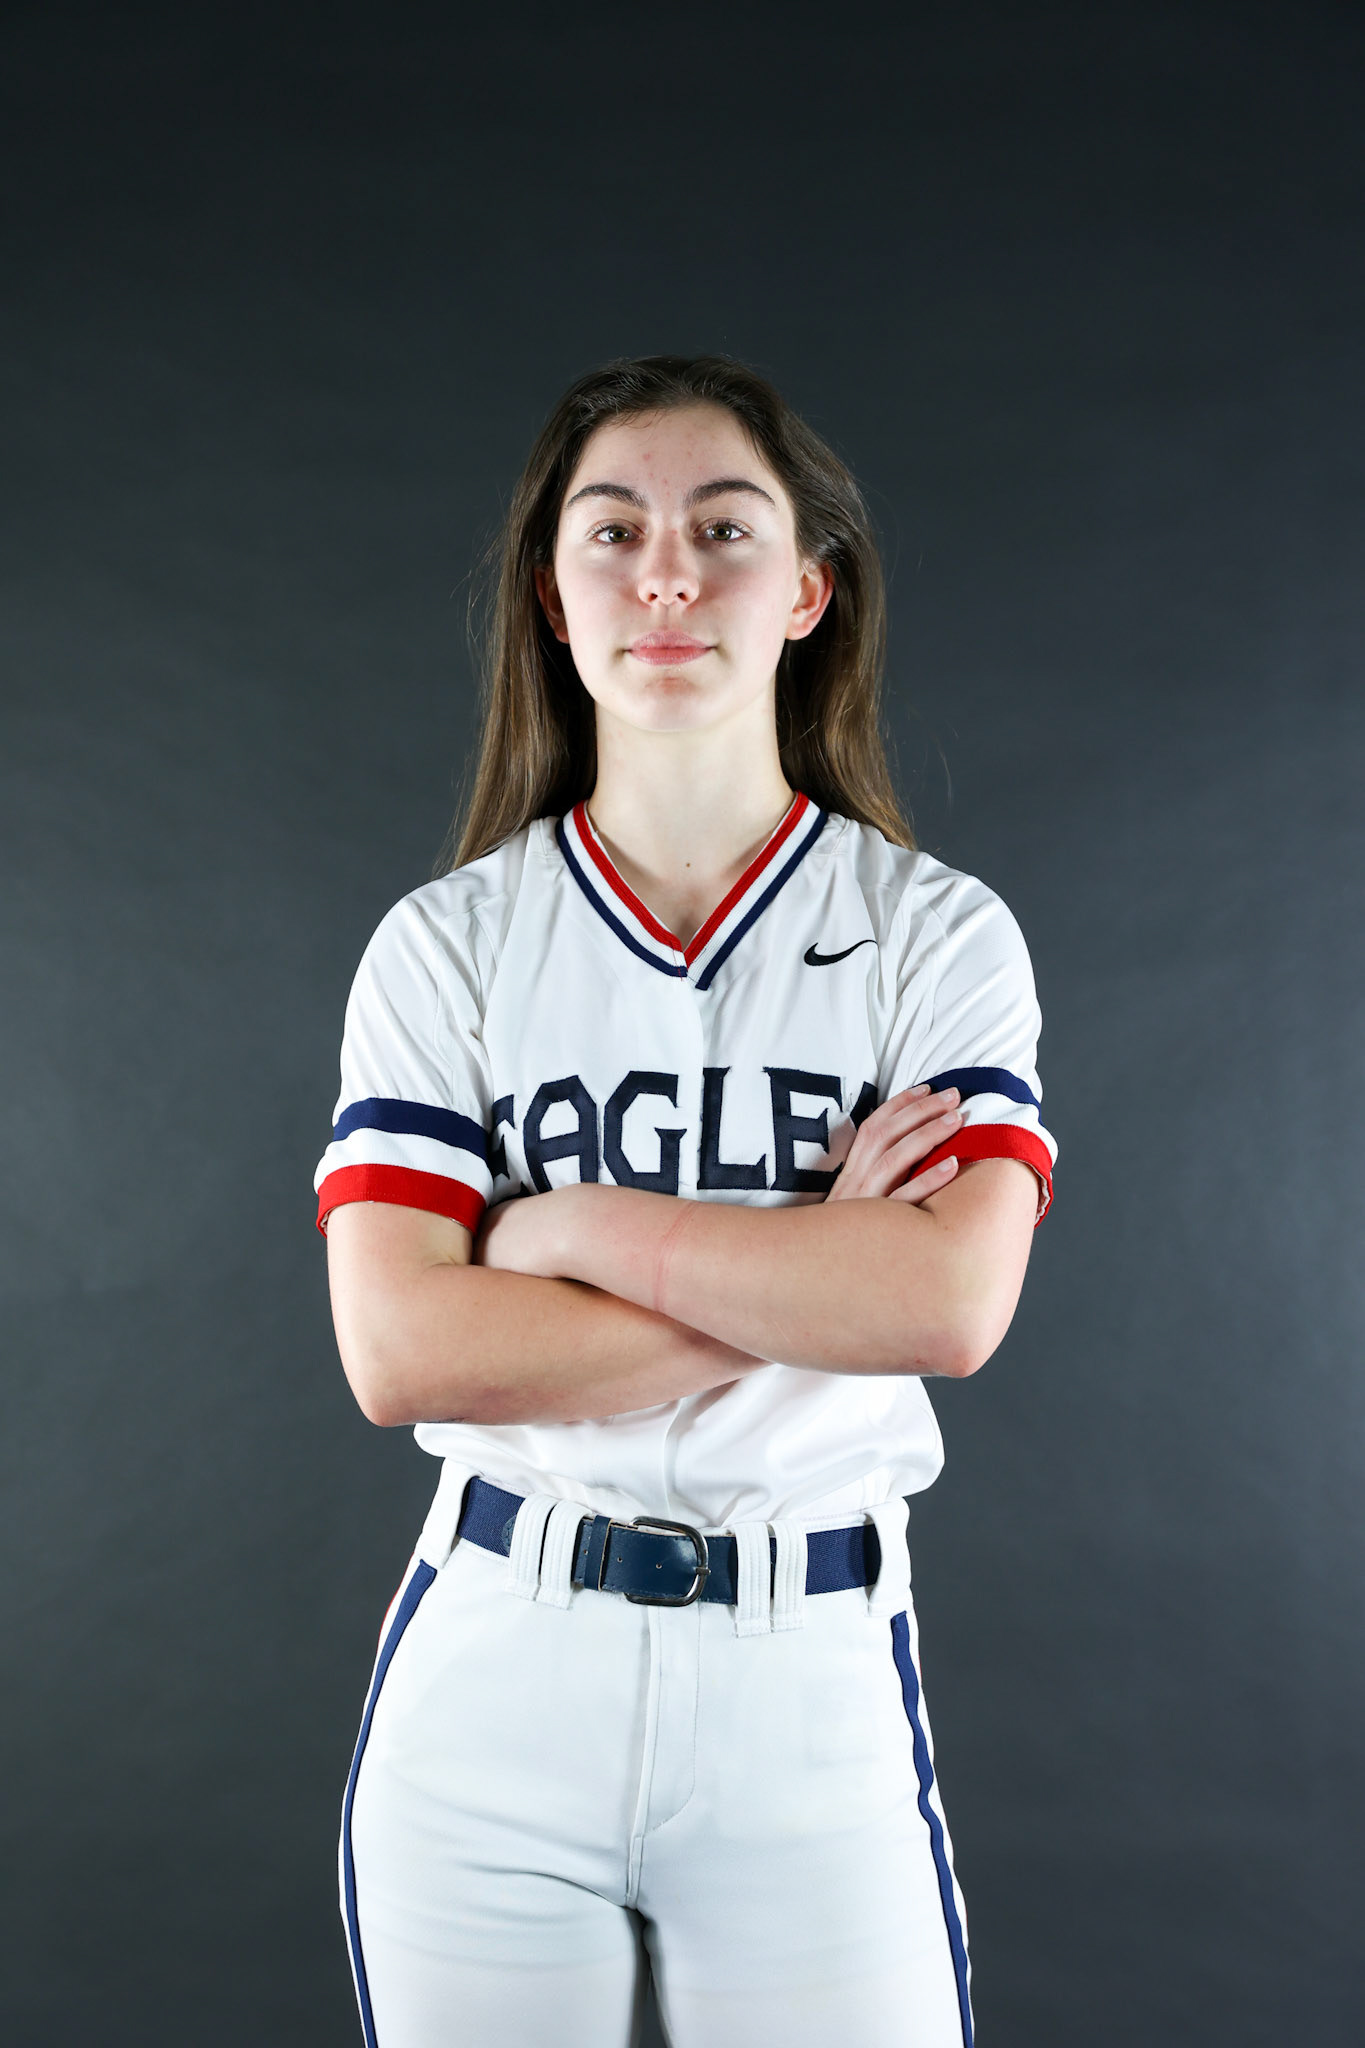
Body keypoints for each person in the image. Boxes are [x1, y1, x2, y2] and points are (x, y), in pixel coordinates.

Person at [314, 353, 1056, 2048]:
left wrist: (560, 1236)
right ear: (551, 597)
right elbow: (403, 1348)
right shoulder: (450, 944)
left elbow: (939, 1311)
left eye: (724, 529)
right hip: (497, 1675)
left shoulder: (938, 935)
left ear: (805, 590)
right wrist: (809, 1262)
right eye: (612, 529)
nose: (667, 570)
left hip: (810, 1685)